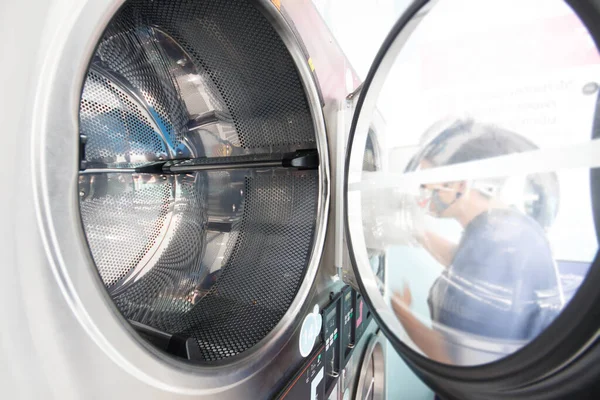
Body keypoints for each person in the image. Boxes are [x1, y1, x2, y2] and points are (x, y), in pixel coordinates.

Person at [390, 119, 564, 365]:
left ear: (460, 184)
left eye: (427, 180)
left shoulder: (505, 246)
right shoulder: (499, 228)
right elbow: (465, 261)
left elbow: (458, 361)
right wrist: (419, 231)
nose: (423, 190)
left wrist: (401, 313)